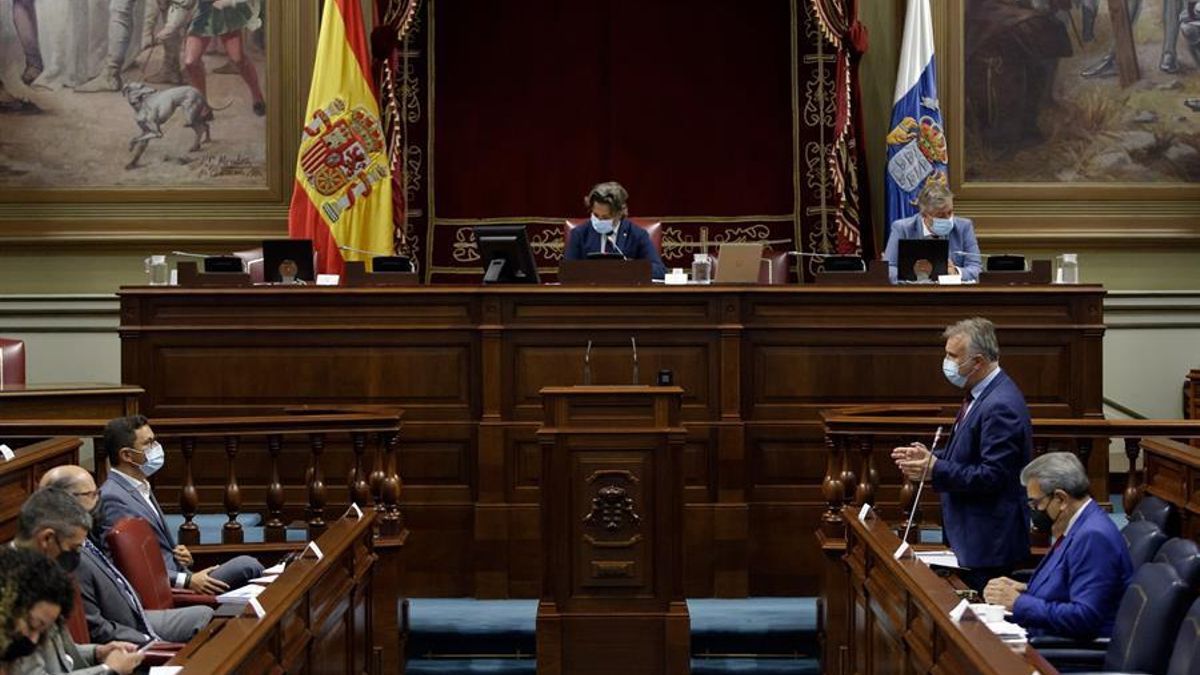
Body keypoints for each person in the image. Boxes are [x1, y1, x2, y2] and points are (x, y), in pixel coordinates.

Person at [891, 317, 1032, 592]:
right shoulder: (980, 393)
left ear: (977, 362)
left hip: (988, 543)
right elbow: (969, 453)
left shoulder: (1000, 405)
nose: (947, 363)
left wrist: (935, 470)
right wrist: (931, 456)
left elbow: (993, 476)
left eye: (953, 356)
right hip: (972, 536)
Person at [40, 466, 213, 646]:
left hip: (137, 614)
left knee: (207, 616)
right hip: (128, 631)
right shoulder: (69, 555)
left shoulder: (86, 539)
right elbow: (96, 629)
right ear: (65, 501)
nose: (99, 500)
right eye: (91, 495)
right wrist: (151, 642)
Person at [100, 415, 264, 594]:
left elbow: (155, 545)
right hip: (167, 589)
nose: (156, 448)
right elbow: (125, 563)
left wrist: (180, 557)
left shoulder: (140, 486)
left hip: (180, 574)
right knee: (248, 566)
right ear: (126, 455)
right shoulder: (113, 497)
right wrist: (186, 580)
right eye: (148, 443)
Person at [983, 452, 1132, 640]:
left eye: (1036, 503)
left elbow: (1084, 617)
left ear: (1061, 499)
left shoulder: (1093, 536)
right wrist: (1026, 589)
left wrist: (1019, 603)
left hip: (1068, 654)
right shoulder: (1080, 524)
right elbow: (1070, 584)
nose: (1035, 512)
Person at [8, 490, 144, 675]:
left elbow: (59, 655)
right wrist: (108, 669)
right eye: (73, 548)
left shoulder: (44, 575)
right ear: (47, 539)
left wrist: (97, 653)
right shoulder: (10, 592)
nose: (76, 557)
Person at [564, 181, 666, 280]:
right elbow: (566, 272)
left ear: (619, 214)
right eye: (595, 215)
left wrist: (629, 268)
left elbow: (660, 271)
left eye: (605, 217)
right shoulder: (580, 234)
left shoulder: (637, 235)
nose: (599, 220)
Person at [882, 183, 981, 284]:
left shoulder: (964, 227)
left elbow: (976, 268)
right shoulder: (902, 228)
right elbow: (888, 269)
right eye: (940, 216)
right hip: (914, 295)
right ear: (924, 215)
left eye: (950, 212)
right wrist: (917, 278)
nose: (948, 219)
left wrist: (955, 272)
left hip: (953, 296)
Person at [183, 0, 266, 116]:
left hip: (226, 12)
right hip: (202, 13)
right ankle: (203, 106)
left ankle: (257, 96)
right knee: (190, 62)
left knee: (238, 59)